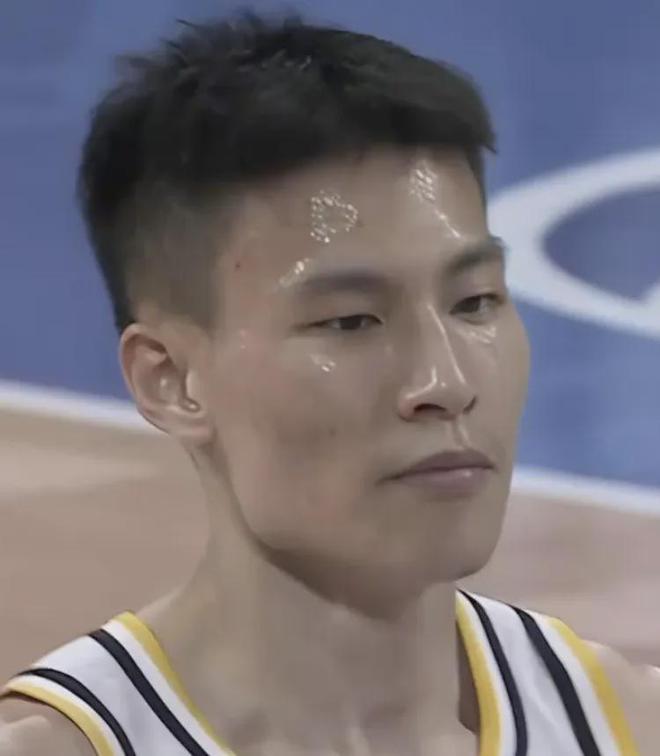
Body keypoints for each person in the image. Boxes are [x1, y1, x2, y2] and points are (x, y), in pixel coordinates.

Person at [1, 11, 658, 755]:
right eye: (351, 321)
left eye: (475, 303)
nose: (445, 381)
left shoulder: (631, 727)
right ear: (170, 379)